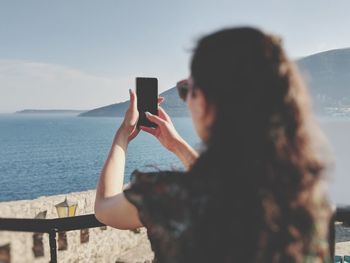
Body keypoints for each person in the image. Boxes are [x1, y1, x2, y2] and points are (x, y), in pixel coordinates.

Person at [94, 27, 332, 262]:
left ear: (206, 102)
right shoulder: (308, 201)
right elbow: (230, 184)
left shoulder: (172, 199)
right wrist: (177, 145)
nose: (186, 101)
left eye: (187, 90)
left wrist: (122, 135)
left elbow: (105, 207)